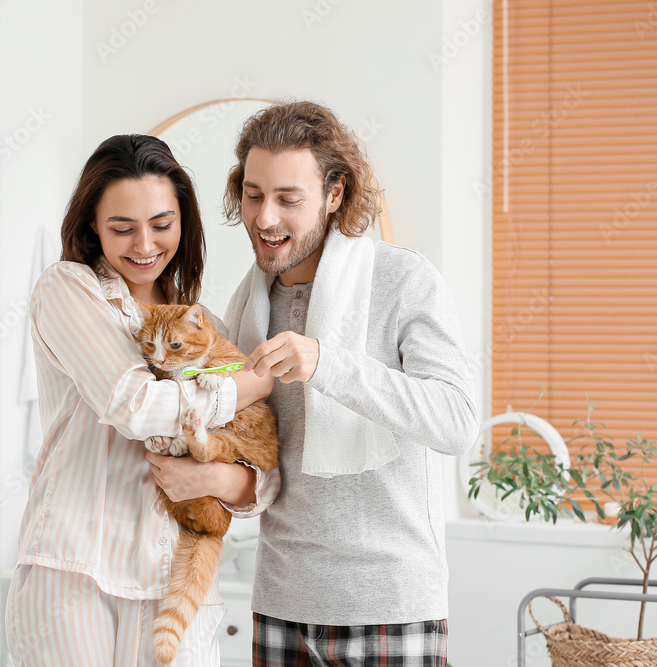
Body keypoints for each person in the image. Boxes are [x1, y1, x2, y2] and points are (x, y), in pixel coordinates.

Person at [4, 134, 277, 666]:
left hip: (174, 580)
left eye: (161, 224)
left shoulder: (205, 326)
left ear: (184, 222)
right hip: (75, 569)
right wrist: (247, 385)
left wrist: (217, 478)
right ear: (92, 228)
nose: (145, 245)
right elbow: (135, 405)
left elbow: (264, 479)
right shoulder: (69, 290)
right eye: (122, 228)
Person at [221, 100, 478, 666]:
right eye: (254, 194)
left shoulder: (404, 280)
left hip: (388, 603)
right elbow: (252, 450)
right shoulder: (246, 304)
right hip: (281, 600)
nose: (266, 218)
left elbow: (456, 421)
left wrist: (330, 364)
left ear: (334, 194)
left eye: (290, 199)